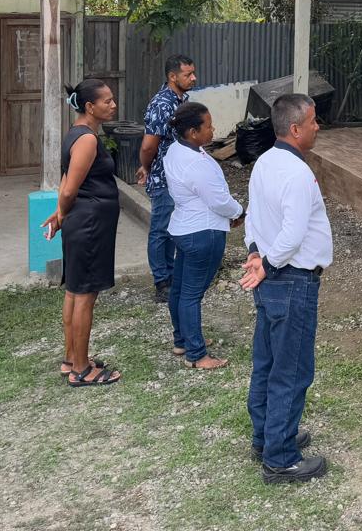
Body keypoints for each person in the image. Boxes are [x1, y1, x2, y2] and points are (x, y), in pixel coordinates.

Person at [239, 93, 330, 484]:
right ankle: (280, 458)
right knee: (291, 370)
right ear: (295, 129)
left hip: (272, 279)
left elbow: (253, 218)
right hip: (292, 280)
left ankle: (267, 436)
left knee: (268, 362)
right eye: (313, 121)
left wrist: (256, 253)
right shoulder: (296, 173)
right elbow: (292, 233)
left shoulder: (265, 162)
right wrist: (269, 263)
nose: (317, 127)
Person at [44, 78, 123, 387]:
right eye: (107, 101)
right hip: (89, 224)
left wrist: (60, 213)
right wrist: (62, 212)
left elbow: (66, 180)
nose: (113, 105)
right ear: (90, 106)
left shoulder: (76, 134)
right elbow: (69, 189)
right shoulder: (87, 140)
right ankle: (81, 369)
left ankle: (71, 358)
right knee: (85, 295)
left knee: (75, 291)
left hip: (83, 220)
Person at [163, 101, 243, 370]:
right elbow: (218, 201)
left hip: (184, 228)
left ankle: (182, 339)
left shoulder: (175, 151)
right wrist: (239, 211)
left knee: (180, 289)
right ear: (193, 132)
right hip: (203, 232)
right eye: (208, 126)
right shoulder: (196, 164)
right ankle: (197, 354)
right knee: (191, 294)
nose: (213, 130)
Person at [138, 54, 198, 302]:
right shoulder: (161, 104)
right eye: (187, 74)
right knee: (161, 230)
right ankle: (161, 281)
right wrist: (146, 167)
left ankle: (171, 276)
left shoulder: (182, 100)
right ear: (173, 77)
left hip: (180, 178)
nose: (193, 78)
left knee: (173, 229)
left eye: (193, 73)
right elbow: (148, 145)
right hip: (164, 179)